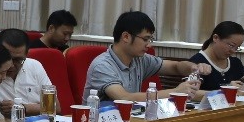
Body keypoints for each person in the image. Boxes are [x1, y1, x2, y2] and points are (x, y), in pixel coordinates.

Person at [83, 11, 212, 104]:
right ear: (126, 37)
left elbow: (175, 67)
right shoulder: (102, 65)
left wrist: (194, 67)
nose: (149, 45)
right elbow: (124, 98)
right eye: (145, 39)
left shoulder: (140, 59)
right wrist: (176, 92)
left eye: (150, 39)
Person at [0, 28, 55, 118]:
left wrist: (22, 108)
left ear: (26, 54)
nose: (11, 65)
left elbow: (54, 107)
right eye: (8, 58)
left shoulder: (34, 65)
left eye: (18, 60)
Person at [188, 21, 244, 92]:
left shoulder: (234, 63)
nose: (233, 51)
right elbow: (190, 92)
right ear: (215, 38)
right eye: (231, 45)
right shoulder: (196, 63)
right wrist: (226, 90)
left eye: (237, 48)